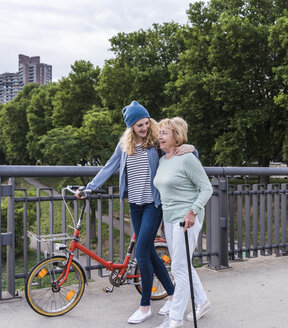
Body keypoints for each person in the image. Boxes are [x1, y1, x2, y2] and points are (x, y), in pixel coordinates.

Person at [76, 101, 194, 324]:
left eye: (146, 123)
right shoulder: (124, 146)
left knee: (141, 253)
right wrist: (89, 187)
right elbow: (109, 167)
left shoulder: (156, 141)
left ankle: (145, 306)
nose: (144, 128)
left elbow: (178, 146)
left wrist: (191, 149)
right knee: (148, 251)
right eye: (139, 125)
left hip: (153, 204)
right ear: (131, 127)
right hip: (135, 205)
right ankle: (172, 294)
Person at [153, 117, 212, 328]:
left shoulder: (187, 158)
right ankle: (203, 301)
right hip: (169, 219)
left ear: (176, 136)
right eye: (159, 132)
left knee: (178, 268)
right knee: (183, 265)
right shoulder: (162, 160)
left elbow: (207, 188)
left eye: (164, 133)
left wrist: (193, 211)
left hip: (186, 219)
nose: (159, 136)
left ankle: (175, 319)